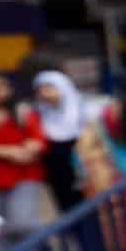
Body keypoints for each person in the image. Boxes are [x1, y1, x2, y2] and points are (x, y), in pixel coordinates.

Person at [0, 72, 46, 246]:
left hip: (23, 176)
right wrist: (8, 152)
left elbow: (38, 139)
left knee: (23, 222)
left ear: (10, 89)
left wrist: (32, 147)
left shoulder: (23, 112)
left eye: (2, 86)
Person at [31, 69, 84, 212]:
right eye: (40, 90)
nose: (44, 94)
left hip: (85, 173)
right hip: (57, 176)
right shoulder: (37, 114)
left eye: (48, 88)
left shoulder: (83, 111)